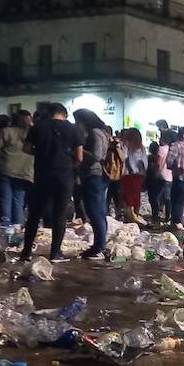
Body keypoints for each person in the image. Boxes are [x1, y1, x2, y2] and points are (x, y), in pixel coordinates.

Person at [20, 103, 83, 262]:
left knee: (34, 214)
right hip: (64, 175)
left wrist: (42, 153)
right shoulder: (73, 129)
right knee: (59, 215)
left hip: (42, 175)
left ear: (50, 113)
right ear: (64, 114)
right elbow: (80, 156)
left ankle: (26, 252)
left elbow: (26, 148)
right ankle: (55, 253)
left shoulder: (38, 127)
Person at [73, 109, 111, 259]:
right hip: (95, 174)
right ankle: (100, 245)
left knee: (95, 211)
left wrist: (78, 151)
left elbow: (96, 155)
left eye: (78, 120)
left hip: (92, 173)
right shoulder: (100, 131)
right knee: (99, 211)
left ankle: (98, 247)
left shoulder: (94, 132)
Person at [0, 110, 33, 232]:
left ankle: (6, 226)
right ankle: (17, 226)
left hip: (6, 169)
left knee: (5, 198)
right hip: (25, 171)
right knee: (18, 200)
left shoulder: (6, 132)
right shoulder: (31, 134)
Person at [119, 128, 147, 225]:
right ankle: (135, 214)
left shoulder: (126, 146)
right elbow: (144, 162)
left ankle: (130, 217)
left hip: (128, 175)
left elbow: (125, 159)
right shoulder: (141, 147)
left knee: (127, 197)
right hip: (139, 175)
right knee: (136, 196)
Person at [153, 129, 174, 225]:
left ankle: (156, 215)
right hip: (170, 176)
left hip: (161, 175)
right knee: (168, 198)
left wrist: (156, 172)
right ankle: (168, 216)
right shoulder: (171, 148)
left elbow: (159, 162)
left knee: (156, 197)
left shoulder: (161, 149)